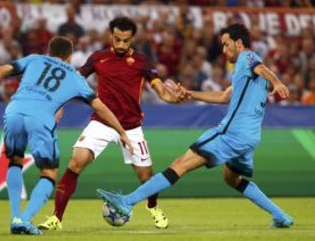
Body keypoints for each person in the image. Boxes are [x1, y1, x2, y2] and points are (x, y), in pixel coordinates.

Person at [97, 23, 294, 228]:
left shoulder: (247, 57)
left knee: (179, 164)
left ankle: (126, 202)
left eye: (226, 45)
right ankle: (281, 216)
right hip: (250, 138)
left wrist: (277, 82)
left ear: (238, 43)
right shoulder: (246, 74)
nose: (224, 50)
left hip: (230, 133)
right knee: (231, 178)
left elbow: (262, 68)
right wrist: (190, 94)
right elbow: (224, 96)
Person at [0, 36, 133, 235]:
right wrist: (121, 132)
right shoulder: (75, 78)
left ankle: (15, 217)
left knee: (14, 161)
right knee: (48, 174)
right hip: (40, 117)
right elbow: (101, 108)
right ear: (69, 56)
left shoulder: (34, 59)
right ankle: (24, 219)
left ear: (49, 50)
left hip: (13, 111)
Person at [38, 16, 185, 231]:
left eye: (126, 40)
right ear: (111, 36)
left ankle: (153, 207)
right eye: (118, 39)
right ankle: (56, 218)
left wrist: (173, 98)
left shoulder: (143, 61)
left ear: (132, 39)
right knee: (76, 162)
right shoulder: (98, 58)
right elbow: (74, 82)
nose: (122, 45)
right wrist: (59, 105)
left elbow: (160, 88)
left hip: (131, 127)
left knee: (147, 177)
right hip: (102, 123)